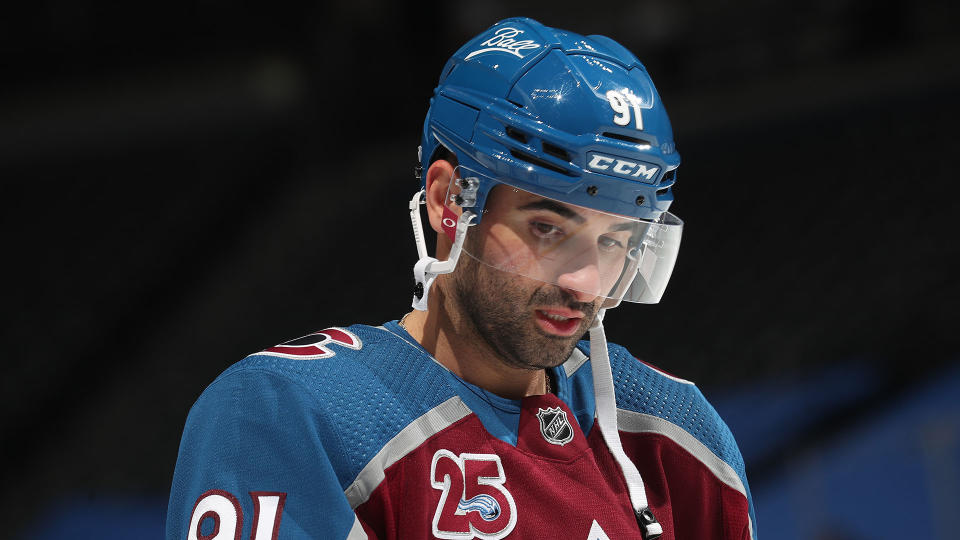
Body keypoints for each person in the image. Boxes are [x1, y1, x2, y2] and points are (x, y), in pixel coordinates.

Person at [166, 17, 756, 540]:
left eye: (615, 241)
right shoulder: (289, 414)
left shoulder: (675, 436)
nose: (585, 282)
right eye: (548, 228)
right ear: (450, 200)